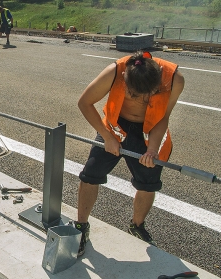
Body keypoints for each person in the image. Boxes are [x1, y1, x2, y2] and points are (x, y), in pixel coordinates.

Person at [75, 51, 184, 257]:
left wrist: (152, 149)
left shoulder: (175, 79)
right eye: (134, 94)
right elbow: (84, 102)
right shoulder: (114, 72)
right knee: (90, 175)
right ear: (125, 77)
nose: (142, 99)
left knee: (147, 183)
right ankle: (81, 226)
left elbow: (164, 116)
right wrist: (107, 137)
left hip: (149, 130)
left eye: (147, 95)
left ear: (159, 75)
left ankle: (137, 225)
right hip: (115, 127)